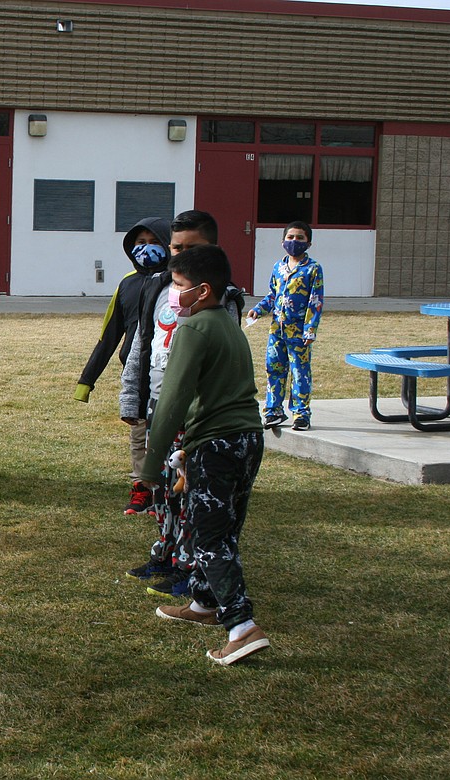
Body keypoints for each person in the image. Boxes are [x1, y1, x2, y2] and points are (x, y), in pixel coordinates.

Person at [141, 244, 268, 666]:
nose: (173, 294)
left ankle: (242, 626)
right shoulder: (226, 323)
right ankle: (203, 603)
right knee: (223, 529)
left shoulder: (195, 329)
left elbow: (172, 397)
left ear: (203, 290)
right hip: (247, 438)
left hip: (216, 444)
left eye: (178, 286)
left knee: (208, 536)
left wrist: (151, 462)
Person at [119, 210, 244, 599]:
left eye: (192, 248)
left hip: (195, 412)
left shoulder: (224, 299)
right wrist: (132, 396)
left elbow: (218, 360)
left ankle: (190, 567)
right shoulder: (159, 289)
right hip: (160, 402)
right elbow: (141, 342)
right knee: (163, 493)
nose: (181, 254)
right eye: (176, 247)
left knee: (189, 490)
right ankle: (166, 553)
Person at [76, 217, 171, 516]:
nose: (146, 248)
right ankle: (141, 490)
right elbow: (109, 335)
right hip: (136, 372)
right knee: (139, 435)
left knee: (167, 435)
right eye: (140, 243)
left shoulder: (175, 282)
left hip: (166, 370)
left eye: (154, 242)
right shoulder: (127, 284)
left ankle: (167, 492)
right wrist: (86, 381)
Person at [246, 221, 324, 431]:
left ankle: (301, 413)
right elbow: (273, 294)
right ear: (283, 241)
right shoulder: (278, 267)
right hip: (276, 330)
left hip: (298, 331)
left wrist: (310, 329)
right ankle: (273, 411)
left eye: (299, 238)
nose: (294, 242)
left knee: (300, 371)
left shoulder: (313, 269)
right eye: (290, 237)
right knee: (274, 369)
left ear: (308, 242)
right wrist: (259, 310)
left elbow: (315, 301)